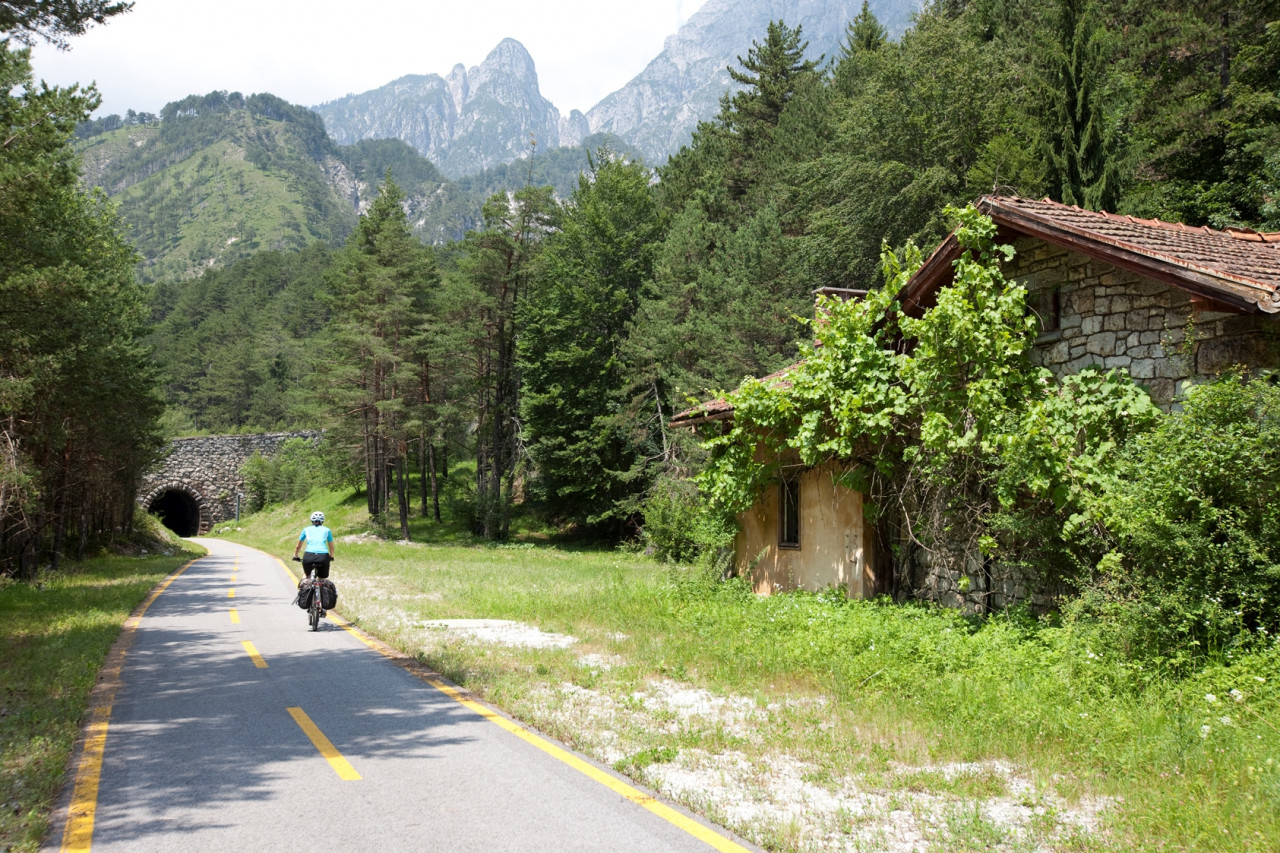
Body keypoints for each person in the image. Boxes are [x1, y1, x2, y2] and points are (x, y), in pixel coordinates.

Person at [292, 511, 334, 580]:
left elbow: (298, 546)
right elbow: (331, 547)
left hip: (309, 555)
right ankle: (321, 589)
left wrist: (295, 556)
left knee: (306, 576)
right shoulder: (327, 530)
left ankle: (302, 590)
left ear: (311, 520)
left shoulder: (306, 529)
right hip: (323, 556)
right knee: (322, 579)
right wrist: (331, 556)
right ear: (322, 521)